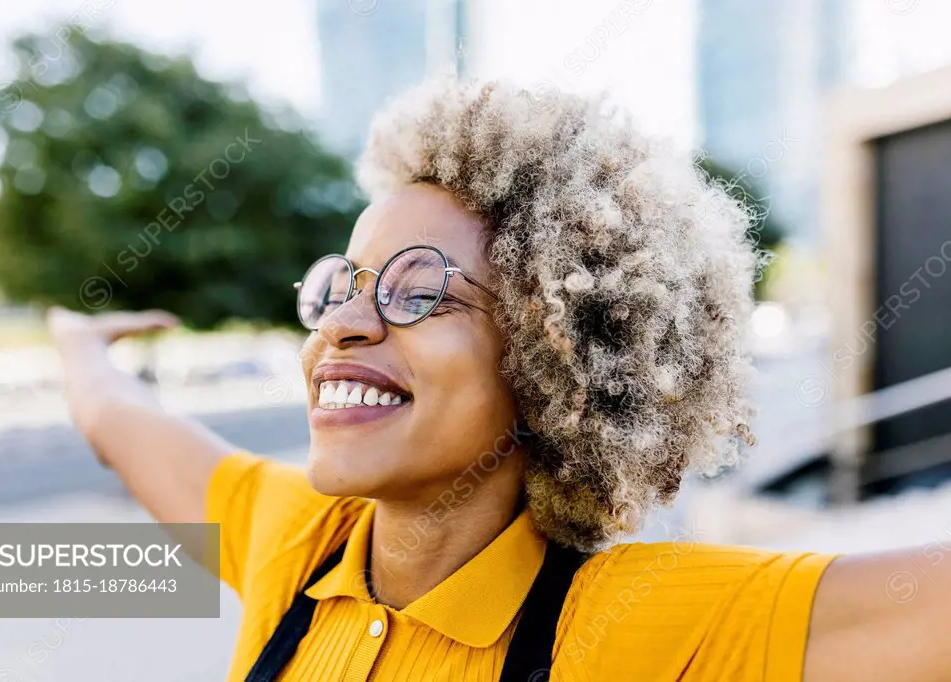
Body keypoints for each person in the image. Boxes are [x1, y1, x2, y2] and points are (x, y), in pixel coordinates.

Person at [47, 79, 947, 682]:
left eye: (419, 291)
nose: (346, 325)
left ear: (556, 362)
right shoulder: (298, 541)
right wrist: (80, 343)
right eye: (342, 287)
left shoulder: (636, 625)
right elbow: (115, 417)